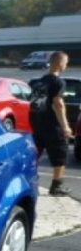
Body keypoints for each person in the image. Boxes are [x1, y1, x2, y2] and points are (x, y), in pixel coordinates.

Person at [32, 51, 73, 196]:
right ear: (60, 63)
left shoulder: (39, 81)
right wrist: (65, 126)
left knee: (35, 154)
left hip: (38, 124)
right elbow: (58, 103)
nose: (66, 66)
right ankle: (56, 186)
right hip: (53, 126)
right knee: (60, 154)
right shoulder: (58, 82)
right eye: (66, 63)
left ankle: (30, 180)